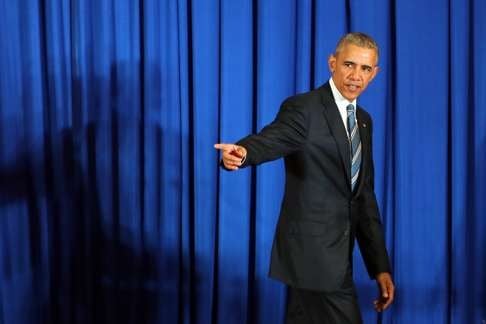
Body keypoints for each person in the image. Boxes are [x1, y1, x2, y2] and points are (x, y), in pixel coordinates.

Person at [215, 32, 394, 324]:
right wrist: (244, 152)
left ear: (375, 73)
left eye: (365, 69)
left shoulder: (364, 121)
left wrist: (379, 267)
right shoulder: (305, 108)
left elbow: (363, 197)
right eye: (349, 65)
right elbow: (273, 138)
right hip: (313, 257)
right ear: (332, 63)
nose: (356, 76)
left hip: (337, 257)